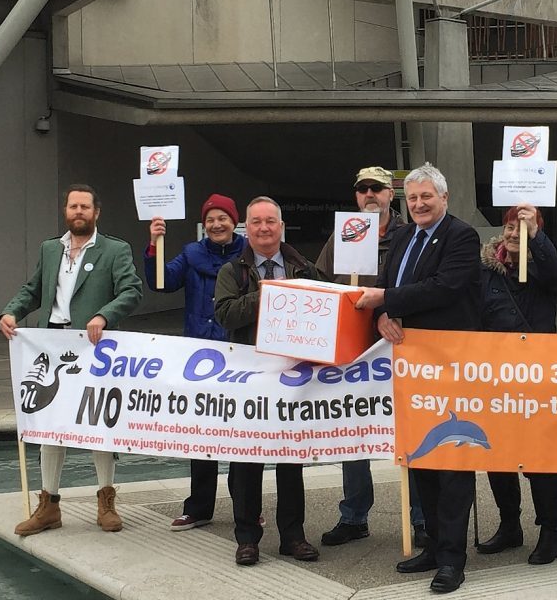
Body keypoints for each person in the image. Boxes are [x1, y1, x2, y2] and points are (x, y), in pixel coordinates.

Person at [356, 163, 481, 594]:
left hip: (450, 364)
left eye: (427, 196)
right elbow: (385, 286)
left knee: (451, 461)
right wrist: (383, 315)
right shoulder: (404, 236)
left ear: (444, 198)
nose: (420, 204)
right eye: (412, 198)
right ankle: (431, 543)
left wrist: (387, 299)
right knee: (422, 457)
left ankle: (452, 559)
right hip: (412, 367)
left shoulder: (461, 236)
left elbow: (444, 286)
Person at [0, 185, 142, 537]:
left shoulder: (115, 249)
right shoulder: (50, 249)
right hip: (52, 346)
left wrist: (104, 316)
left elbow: (131, 290)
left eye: (85, 206)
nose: (78, 211)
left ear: (97, 212)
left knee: (100, 424)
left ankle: (106, 501)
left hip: (95, 349)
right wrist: (11, 311)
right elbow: (33, 289)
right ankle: (48, 505)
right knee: (51, 425)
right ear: (66, 210)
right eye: (73, 206)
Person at [315, 166, 428, 548]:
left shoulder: (410, 233)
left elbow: (418, 285)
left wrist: (385, 311)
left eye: (377, 189)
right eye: (362, 189)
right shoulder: (342, 234)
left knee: (412, 429)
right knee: (353, 429)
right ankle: (354, 515)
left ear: (390, 194)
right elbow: (322, 283)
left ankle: (422, 517)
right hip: (354, 352)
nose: (369, 195)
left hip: (401, 346)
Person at [214, 196, 322, 567]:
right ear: (247, 227)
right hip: (250, 380)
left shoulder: (303, 267)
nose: (264, 228)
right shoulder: (234, 270)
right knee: (247, 463)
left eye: (270, 221)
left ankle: (293, 535)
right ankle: (247, 538)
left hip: (293, 380)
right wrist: (272, 296)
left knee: (291, 459)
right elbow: (225, 315)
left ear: (281, 227)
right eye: (256, 222)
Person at [143, 193, 246, 532]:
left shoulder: (248, 253)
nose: (217, 224)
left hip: (239, 355)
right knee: (201, 434)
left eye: (223, 218)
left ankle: (247, 506)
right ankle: (199, 507)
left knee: (241, 435)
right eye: (211, 219)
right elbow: (162, 282)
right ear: (205, 225)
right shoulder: (191, 254)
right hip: (199, 358)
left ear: (234, 221)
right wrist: (155, 245)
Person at [475, 204, 557, 565]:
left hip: (536, 377)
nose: (515, 234)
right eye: (511, 227)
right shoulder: (485, 270)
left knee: (540, 457)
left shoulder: (543, 266)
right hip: (495, 377)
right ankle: (509, 524)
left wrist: (536, 238)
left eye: (523, 228)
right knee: (497, 454)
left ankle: (550, 530)